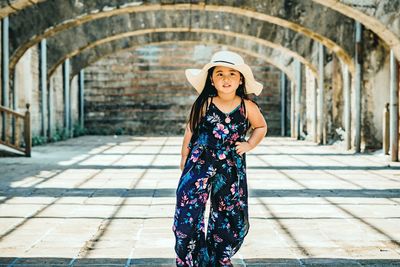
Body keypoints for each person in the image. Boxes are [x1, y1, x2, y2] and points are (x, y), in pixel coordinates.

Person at [172, 50, 268, 266]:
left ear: (240, 79)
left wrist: (249, 144)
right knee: (188, 208)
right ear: (212, 80)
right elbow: (190, 129)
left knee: (229, 210)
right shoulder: (205, 103)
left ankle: (220, 256)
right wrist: (184, 156)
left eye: (232, 74)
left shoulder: (247, 106)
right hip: (200, 162)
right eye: (220, 74)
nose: (226, 79)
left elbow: (261, 127)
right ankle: (190, 257)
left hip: (230, 166)